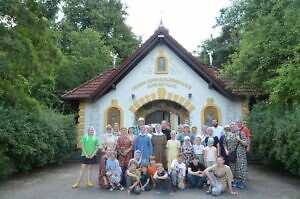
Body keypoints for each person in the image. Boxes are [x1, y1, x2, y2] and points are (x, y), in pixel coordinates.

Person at [224, 122, 248, 189]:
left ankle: (241, 183)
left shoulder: (241, 133)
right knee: (232, 168)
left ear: (236, 127)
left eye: (233, 126)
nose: (232, 128)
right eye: (231, 127)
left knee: (241, 168)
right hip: (231, 154)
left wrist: (239, 139)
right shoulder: (228, 134)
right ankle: (234, 181)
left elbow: (246, 143)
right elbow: (224, 143)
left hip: (240, 154)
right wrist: (226, 150)